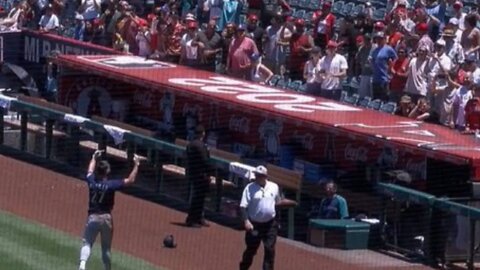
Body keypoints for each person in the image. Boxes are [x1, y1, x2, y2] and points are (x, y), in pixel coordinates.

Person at [78, 150, 141, 270]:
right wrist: (136, 165)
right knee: (106, 248)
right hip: (106, 218)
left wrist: (94, 158)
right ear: (107, 172)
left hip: (93, 217)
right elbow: (130, 180)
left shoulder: (92, 181)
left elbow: (89, 171)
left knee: (87, 243)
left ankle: (82, 265)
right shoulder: (111, 185)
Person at [239, 165, 282, 270]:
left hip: (270, 224)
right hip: (255, 224)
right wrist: (246, 221)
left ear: (266, 176)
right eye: (257, 175)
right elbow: (243, 206)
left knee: (270, 250)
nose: (258, 177)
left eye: (260, 176)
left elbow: (278, 204)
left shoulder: (274, 187)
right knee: (251, 250)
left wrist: (278, 221)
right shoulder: (249, 188)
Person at [185, 125, 213, 227]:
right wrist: (209, 173)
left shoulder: (191, 144)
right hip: (200, 175)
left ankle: (199, 218)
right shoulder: (200, 146)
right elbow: (205, 161)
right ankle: (191, 220)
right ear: (203, 134)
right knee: (197, 198)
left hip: (193, 173)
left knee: (200, 198)